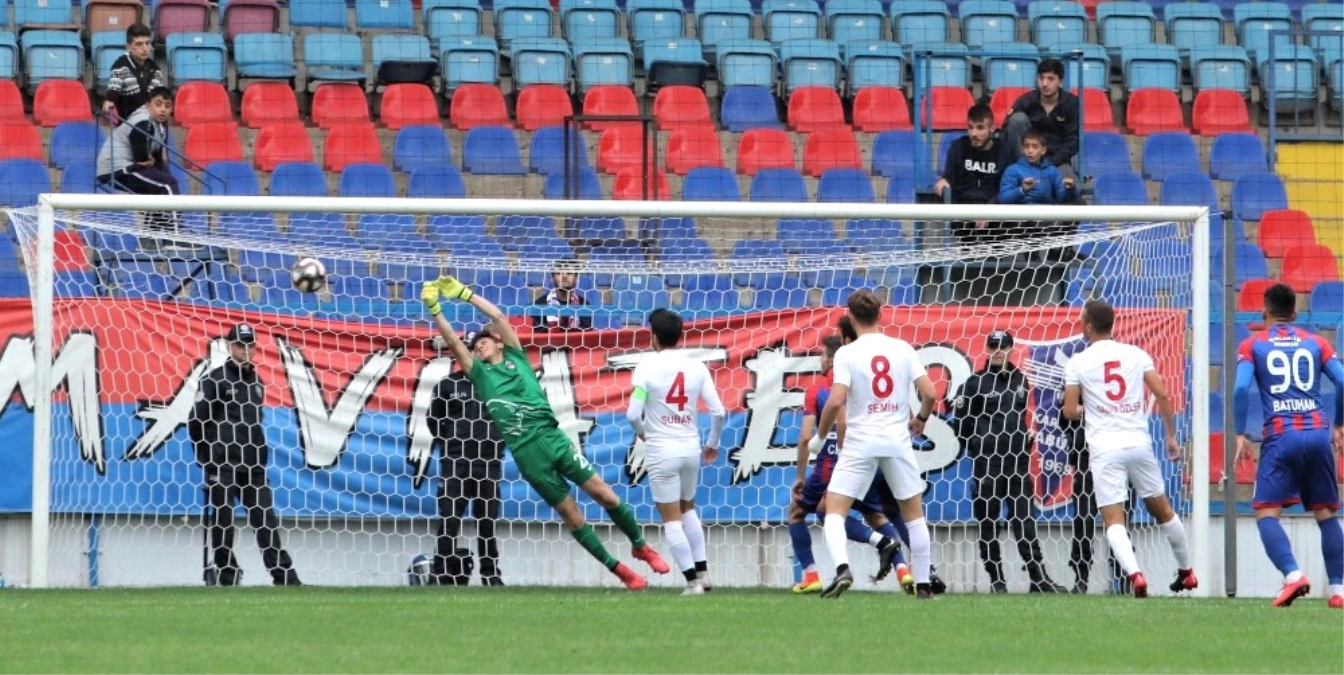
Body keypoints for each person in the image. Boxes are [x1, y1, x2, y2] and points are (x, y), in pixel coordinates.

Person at [422, 276, 669, 590]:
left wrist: (464, 294)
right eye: (475, 346)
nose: (477, 346)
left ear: (498, 341)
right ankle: (619, 569)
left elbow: (497, 317)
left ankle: (639, 545)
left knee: (603, 494)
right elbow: (455, 344)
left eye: (482, 341)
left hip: (552, 439)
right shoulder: (480, 376)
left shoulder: (517, 357)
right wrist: (435, 309)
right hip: (527, 455)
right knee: (571, 513)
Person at [807, 290, 938, 599]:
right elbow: (930, 393)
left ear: (850, 318)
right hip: (897, 442)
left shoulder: (846, 353)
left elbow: (837, 400)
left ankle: (842, 569)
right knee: (914, 517)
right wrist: (920, 418)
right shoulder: (902, 348)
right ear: (881, 315)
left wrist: (819, 437)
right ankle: (923, 585)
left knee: (834, 512)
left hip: (860, 442)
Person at [1062, 300, 1197, 598]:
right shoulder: (1136, 353)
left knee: (1113, 519)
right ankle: (1186, 570)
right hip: (1139, 444)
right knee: (1163, 510)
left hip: (1105, 449)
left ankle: (1135, 574)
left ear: (1087, 327)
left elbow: (1070, 411)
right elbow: (1161, 393)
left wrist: (1092, 407)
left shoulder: (1077, 363)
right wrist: (1171, 437)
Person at [1232, 282, 1344, 608]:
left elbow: (1240, 389)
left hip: (1281, 436)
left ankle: (1293, 576)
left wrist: (1240, 432)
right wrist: (1338, 425)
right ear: (1294, 313)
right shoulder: (1317, 343)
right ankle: (1338, 591)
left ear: (1264, 310)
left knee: (1267, 512)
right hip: (1318, 434)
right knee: (1325, 513)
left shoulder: (1253, 344)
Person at [788, 333, 912, 595]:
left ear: (832, 359)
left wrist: (800, 474)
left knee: (801, 513)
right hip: (870, 456)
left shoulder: (819, 390)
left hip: (835, 462)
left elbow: (804, 437)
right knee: (875, 513)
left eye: (822, 355)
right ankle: (904, 571)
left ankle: (812, 574)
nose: (820, 360)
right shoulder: (864, 381)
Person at [188, 323, 301, 587]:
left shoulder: (257, 382)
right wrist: (206, 459)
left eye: (251, 345)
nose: (246, 350)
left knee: (266, 520)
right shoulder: (214, 379)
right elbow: (196, 421)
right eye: (241, 345)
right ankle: (227, 575)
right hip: (222, 464)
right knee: (223, 521)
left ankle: (283, 576)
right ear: (230, 347)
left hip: (254, 466)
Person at [954, 330, 1066, 593]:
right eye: (993, 347)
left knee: (1024, 519)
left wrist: (1024, 440)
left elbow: (1019, 416)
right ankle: (997, 581)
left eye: (1003, 347)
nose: (998, 351)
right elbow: (961, 426)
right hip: (987, 464)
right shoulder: (974, 383)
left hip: (1017, 463)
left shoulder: (1020, 380)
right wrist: (980, 445)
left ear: (1011, 349)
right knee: (988, 521)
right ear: (987, 349)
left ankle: (1038, 578)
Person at [626, 309, 726, 595]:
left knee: (671, 518)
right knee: (688, 508)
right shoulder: (697, 368)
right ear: (679, 335)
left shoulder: (646, 367)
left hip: (662, 449)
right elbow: (718, 412)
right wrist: (713, 443)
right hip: (690, 447)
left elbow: (633, 413)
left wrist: (645, 433)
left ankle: (692, 583)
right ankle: (703, 573)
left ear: (653, 336)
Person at [426, 333, 505, 586]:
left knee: (487, 522)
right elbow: (434, 421)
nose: (474, 352)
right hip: (455, 463)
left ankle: (490, 575)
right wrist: (453, 443)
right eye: (469, 348)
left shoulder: (499, 383)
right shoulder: (448, 384)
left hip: (488, 462)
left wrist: (495, 443)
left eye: (477, 348)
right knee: (449, 520)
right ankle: (441, 574)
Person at [95, 86, 181, 233]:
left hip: (129, 167)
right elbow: (140, 157)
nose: (163, 110)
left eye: (167, 106)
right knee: (167, 184)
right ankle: (174, 234)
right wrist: (148, 161)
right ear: (148, 105)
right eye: (158, 104)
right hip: (117, 169)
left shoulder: (159, 127)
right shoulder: (143, 120)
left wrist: (155, 164)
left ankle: (152, 235)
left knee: (163, 183)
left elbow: (157, 161)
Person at [934, 104, 1015, 243]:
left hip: (994, 212)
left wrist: (989, 209)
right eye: (970, 127)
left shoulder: (1004, 152)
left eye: (980, 128)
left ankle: (995, 257)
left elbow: (1008, 187)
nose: (974, 134)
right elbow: (949, 177)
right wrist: (944, 180)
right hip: (964, 211)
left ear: (992, 128)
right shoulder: (958, 147)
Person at [1002, 59, 1080, 181]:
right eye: (1041, 78)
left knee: (1071, 188)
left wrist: (1050, 164)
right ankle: (1021, 170)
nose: (1044, 83)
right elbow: (1006, 130)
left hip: (1057, 162)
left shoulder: (1072, 104)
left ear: (1061, 82)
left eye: (1050, 79)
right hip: (1027, 159)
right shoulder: (1025, 101)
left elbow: (1073, 141)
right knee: (1017, 119)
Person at [102, 23, 166, 123]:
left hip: (150, 123)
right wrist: (109, 100)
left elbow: (159, 97)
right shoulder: (119, 67)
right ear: (128, 47)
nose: (145, 48)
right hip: (127, 125)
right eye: (139, 44)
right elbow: (113, 89)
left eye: (147, 43)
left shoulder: (155, 69)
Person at [998, 130, 1079, 206]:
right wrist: (1022, 190)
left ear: (1043, 150)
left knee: (1079, 203)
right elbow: (1003, 199)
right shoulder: (1012, 170)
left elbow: (1062, 198)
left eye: (1035, 147)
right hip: (1021, 217)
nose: (1030, 151)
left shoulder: (1052, 170)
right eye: (1026, 146)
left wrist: (1070, 189)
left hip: (1046, 216)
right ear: (1022, 149)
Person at [533, 260, 591, 331]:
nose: (564, 276)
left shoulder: (585, 306)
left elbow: (587, 336)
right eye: (559, 273)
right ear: (552, 278)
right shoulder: (539, 305)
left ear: (576, 278)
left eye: (569, 273)